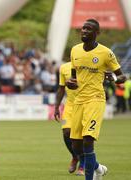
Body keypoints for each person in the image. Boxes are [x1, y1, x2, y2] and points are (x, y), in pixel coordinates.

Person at [66, 19, 126, 180]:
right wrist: (70, 83)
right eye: (83, 28)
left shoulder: (105, 53)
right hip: (79, 100)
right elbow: (73, 77)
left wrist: (113, 77)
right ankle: (98, 168)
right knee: (76, 145)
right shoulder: (75, 50)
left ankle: (90, 177)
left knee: (88, 140)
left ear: (97, 33)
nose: (84, 31)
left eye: (89, 29)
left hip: (95, 99)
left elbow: (122, 76)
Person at [54, 62, 84, 175]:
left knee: (84, 136)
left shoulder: (87, 65)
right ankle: (75, 157)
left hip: (86, 104)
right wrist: (56, 107)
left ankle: (82, 165)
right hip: (70, 106)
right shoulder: (63, 67)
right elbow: (61, 89)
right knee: (66, 131)